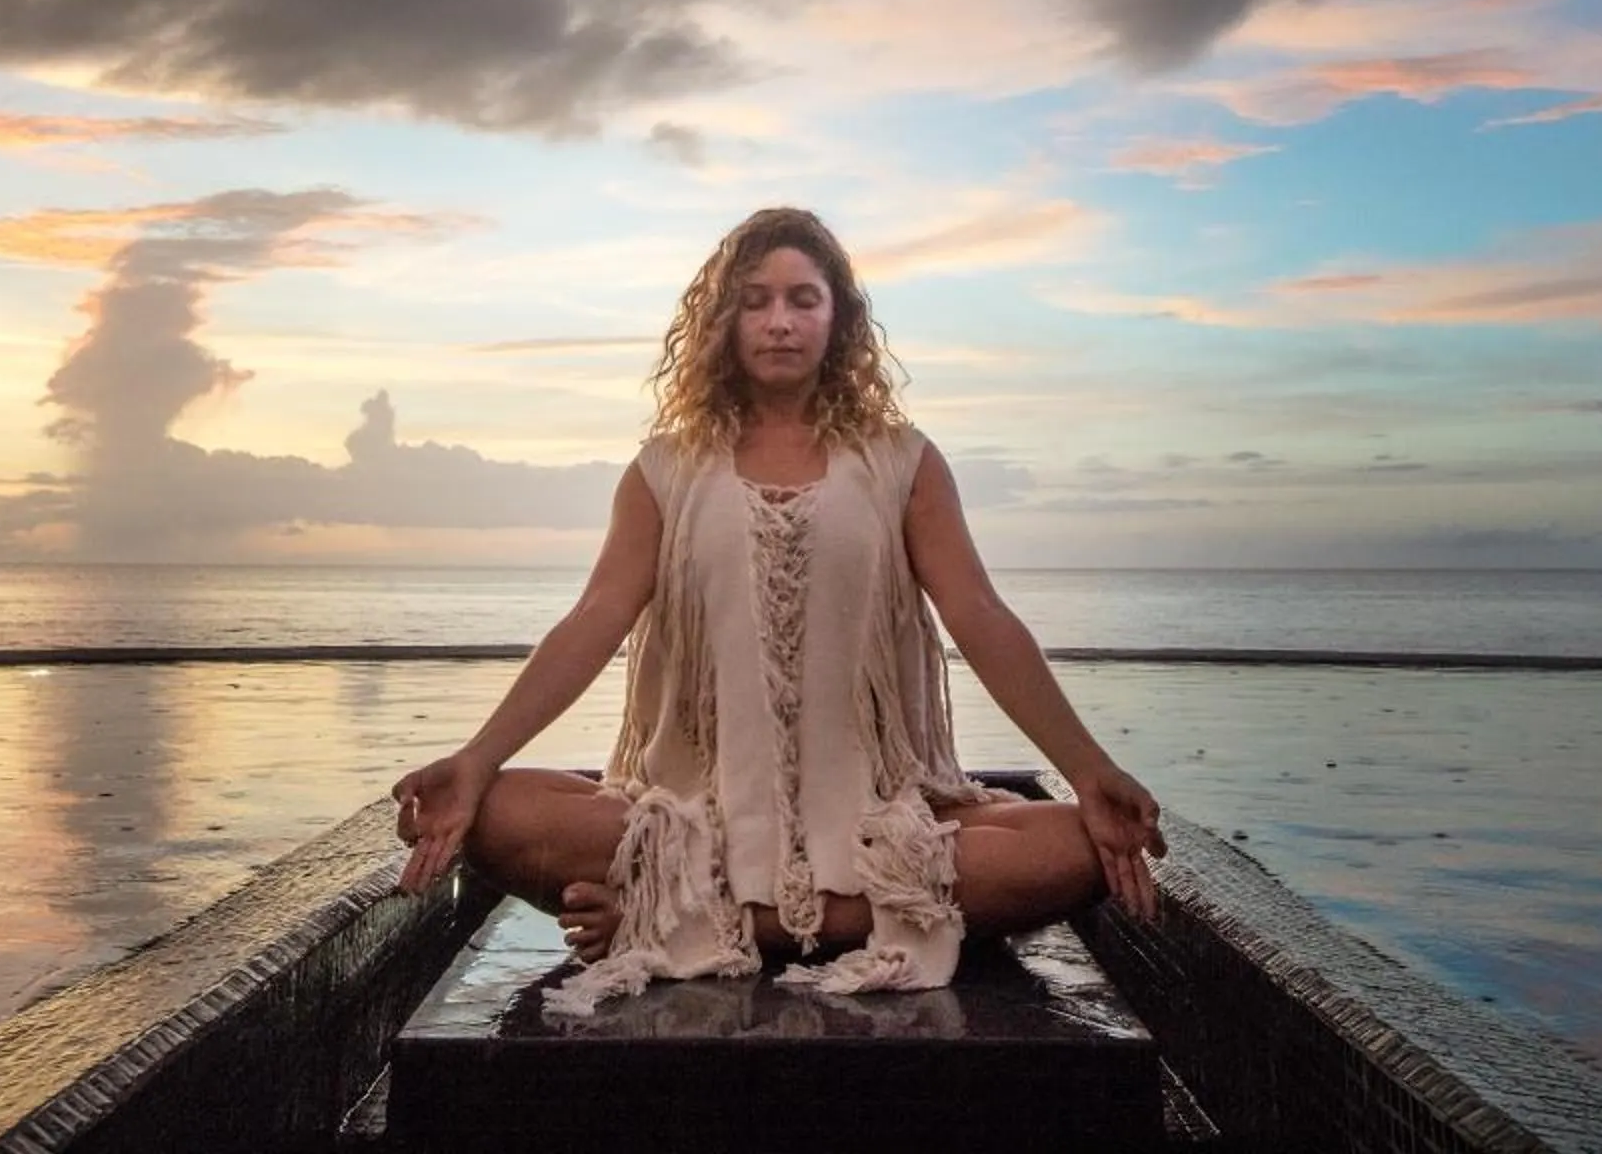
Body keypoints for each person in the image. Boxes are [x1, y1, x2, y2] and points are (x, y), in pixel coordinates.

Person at [390, 206, 1164, 1011]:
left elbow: (980, 615)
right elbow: (593, 620)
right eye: (755, 301)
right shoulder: (666, 469)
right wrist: (477, 758)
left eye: (803, 299)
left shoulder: (902, 461)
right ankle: (805, 917)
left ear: (840, 318)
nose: (779, 322)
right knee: (498, 815)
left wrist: (1089, 768)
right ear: (724, 322)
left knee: (1077, 848)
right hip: (699, 824)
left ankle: (705, 924)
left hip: (873, 827)